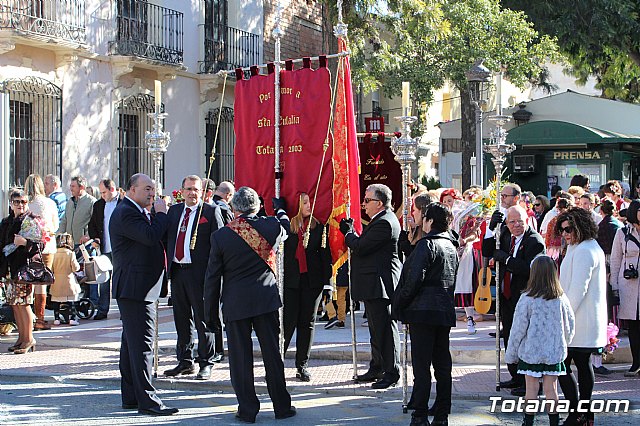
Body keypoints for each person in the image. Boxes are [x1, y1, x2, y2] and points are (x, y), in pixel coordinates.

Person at [204, 187, 296, 423]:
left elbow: (212, 278)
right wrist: (280, 209)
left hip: (236, 303)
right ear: (257, 207)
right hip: (265, 301)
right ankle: (282, 406)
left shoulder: (221, 236)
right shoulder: (272, 226)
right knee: (272, 355)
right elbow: (286, 225)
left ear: (234, 209)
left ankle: (247, 410)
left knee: (240, 358)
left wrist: (210, 313)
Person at [109, 173, 177, 416]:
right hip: (136, 288)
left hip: (139, 287)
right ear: (132, 189)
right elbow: (149, 237)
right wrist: (161, 213)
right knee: (143, 345)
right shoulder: (126, 211)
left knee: (131, 345)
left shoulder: (133, 210)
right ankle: (148, 401)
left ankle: (130, 396)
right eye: (147, 188)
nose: (152, 193)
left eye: (154, 189)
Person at [392, 202, 458, 426]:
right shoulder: (451, 245)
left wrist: (399, 304)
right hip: (442, 311)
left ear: (429, 221)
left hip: (423, 311)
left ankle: (419, 413)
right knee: (442, 365)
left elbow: (414, 280)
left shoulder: (428, 244)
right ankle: (442, 413)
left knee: (422, 367)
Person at [340, 183, 401, 389]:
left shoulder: (385, 222)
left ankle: (391, 371)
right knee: (377, 330)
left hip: (380, 284)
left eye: (367, 201)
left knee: (384, 331)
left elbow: (362, 247)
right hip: (373, 284)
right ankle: (377, 366)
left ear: (380, 203)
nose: (364, 205)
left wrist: (348, 234)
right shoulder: (379, 220)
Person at [163, 175, 224, 381]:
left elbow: (219, 244)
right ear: (182, 191)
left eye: (195, 189)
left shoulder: (210, 212)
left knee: (203, 319)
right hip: (178, 271)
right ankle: (184, 360)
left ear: (202, 192)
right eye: (188, 189)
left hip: (201, 275)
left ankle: (206, 361)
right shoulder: (175, 211)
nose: (192, 193)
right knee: (182, 319)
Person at [483, 205, 546, 397]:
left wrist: (508, 260)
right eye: (512, 222)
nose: (517, 225)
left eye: (520, 221)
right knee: (510, 336)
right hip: (507, 296)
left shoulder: (534, 240)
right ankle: (516, 376)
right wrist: (490, 227)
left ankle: (531, 383)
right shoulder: (504, 234)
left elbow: (529, 268)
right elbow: (487, 250)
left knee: (525, 339)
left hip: (525, 296)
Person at [505, 256, 575, 426]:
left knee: (531, 389)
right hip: (553, 352)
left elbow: (518, 329)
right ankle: (554, 422)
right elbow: (570, 325)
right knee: (552, 389)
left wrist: (511, 354)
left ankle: (528, 422)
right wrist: (564, 342)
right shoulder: (561, 298)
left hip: (531, 352)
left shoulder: (527, 299)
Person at [555, 207, 608, 426]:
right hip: (581, 318)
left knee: (564, 365)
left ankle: (579, 412)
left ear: (580, 227)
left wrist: (563, 317)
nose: (565, 234)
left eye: (569, 229)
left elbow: (578, 289)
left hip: (580, 319)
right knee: (577, 365)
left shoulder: (586, 249)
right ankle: (582, 413)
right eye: (562, 230)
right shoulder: (581, 247)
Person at [283, 193, 332, 381]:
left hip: (312, 283)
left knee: (307, 323)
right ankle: (277, 362)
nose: (309, 205)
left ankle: (302, 365)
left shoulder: (318, 227)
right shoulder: (287, 226)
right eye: (305, 203)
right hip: (291, 282)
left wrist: (324, 281)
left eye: (310, 201)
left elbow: (324, 255)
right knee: (288, 323)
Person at [0, 189, 45, 354]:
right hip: (10, 270)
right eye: (17, 202)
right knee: (14, 304)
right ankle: (21, 338)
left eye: (24, 202)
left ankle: (29, 338)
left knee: (24, 303)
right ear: (11, 203)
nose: (20, 205)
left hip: (24, 269)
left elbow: (40, 244)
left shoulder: (32, 220)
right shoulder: (6, 222)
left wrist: (25, 242)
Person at [609, 200, 640, 377]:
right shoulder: (622, 233)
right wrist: (614, 285)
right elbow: (615, 260)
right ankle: (635, 363)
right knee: (633, 327)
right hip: (628, 286)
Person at [24, 174, 59, 330]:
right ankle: (40, 318)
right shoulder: (49, 203)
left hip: (28, 247)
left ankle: (28, 317)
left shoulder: (25, 203)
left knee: (28, 281)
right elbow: (55, 225)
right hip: (46, 246)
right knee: (42, 283)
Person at [86, 178, 121, 320]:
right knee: (104, 281)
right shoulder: (99, 205)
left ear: (112, 189)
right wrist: (95, 238)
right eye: (100, 193)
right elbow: (92, 224)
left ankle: (123, 310)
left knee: (120, 281)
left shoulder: (123, 203)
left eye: (104, 192)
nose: (102, 195)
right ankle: (102, 309)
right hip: (105, 249)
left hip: (120, 249)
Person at [50, 233, 81, 326]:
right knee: (71, 300)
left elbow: (51, 269)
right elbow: (76, 268)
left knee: (56, 300)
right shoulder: (70, 253)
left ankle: (56, 319)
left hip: (56, 281)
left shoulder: (54, 253)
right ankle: (72, 318)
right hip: (69, 280)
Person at [58, 175, 96, 245]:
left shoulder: (91, 202)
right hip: (70, 244)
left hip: (85, 245)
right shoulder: (70, 202)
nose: (71, 189)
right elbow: (64, 220)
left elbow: (96, 222)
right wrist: (60, 235)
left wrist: (88, 235)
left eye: (73, 186)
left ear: (82, 187)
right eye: (70, 186)